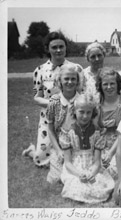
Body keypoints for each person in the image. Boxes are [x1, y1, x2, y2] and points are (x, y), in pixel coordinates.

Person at [22, 31, 82, 168]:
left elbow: (81, 94)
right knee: (41, 161)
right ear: (48, 49)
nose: (58, 50)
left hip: (70, 118)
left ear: (66, 47)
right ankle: (32, 151)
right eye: (54, 47)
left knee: (70, 158)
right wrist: (55, 103)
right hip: (47, 119)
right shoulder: (39, 71)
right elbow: (36, 97)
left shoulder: (77, 69)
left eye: (61, 46)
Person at [59, 93, 114, 204]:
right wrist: (79, 174)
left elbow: (97, 162)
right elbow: (68, 162)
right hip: (74, 168)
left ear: (93, 113)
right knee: (76, 184)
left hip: (91, 165)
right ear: (74, 111)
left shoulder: (97, 133)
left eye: (88, 112)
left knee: (98, 184)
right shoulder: (67, 133)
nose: (85, 116)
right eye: (81, 112)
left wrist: (91, 173)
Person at [45, 63, 82, 184]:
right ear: (59, 80)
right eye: (66, 78)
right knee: (55, 179)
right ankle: (34, 153)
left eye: (73, 79)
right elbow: (50, 130)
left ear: (77, 81)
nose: (70, 82)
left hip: (78, 145)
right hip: (60, 145)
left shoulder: (83, 100)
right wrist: (59, 151)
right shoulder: (54, 101)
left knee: (75, 176)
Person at [95, 67, 121, 179]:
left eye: (112, 84)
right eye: (105, 84)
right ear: (100, 86)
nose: (109, 87)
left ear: (118, 84)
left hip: (120, 146)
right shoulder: (96, 104)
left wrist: (110, 154)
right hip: (99, 146)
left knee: (113, 171)